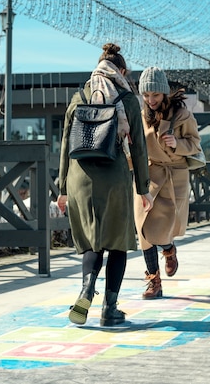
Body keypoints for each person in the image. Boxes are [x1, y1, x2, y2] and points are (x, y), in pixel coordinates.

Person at [57, 43, 153, 326]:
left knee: (92, 241)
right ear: (121, 71)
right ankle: (109, 309)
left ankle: (87, 287)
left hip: (79, 178)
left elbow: (65, 143)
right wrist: (143, 187)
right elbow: (139, 148)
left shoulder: (79, 96)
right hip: (113, 175)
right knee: (117, 242)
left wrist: (63, 188)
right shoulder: (127, 99)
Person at [133, 66, 202, 299]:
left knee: (163, 231)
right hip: (148, 176)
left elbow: (195, 145)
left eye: (155, 95)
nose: (150, 100)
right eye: (146, 95)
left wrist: (177, 143)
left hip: (174, 176)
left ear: (164, 93)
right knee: (143, 229)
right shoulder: (140, 116)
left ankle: (169, 250)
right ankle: (154, 281)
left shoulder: (182, 114)